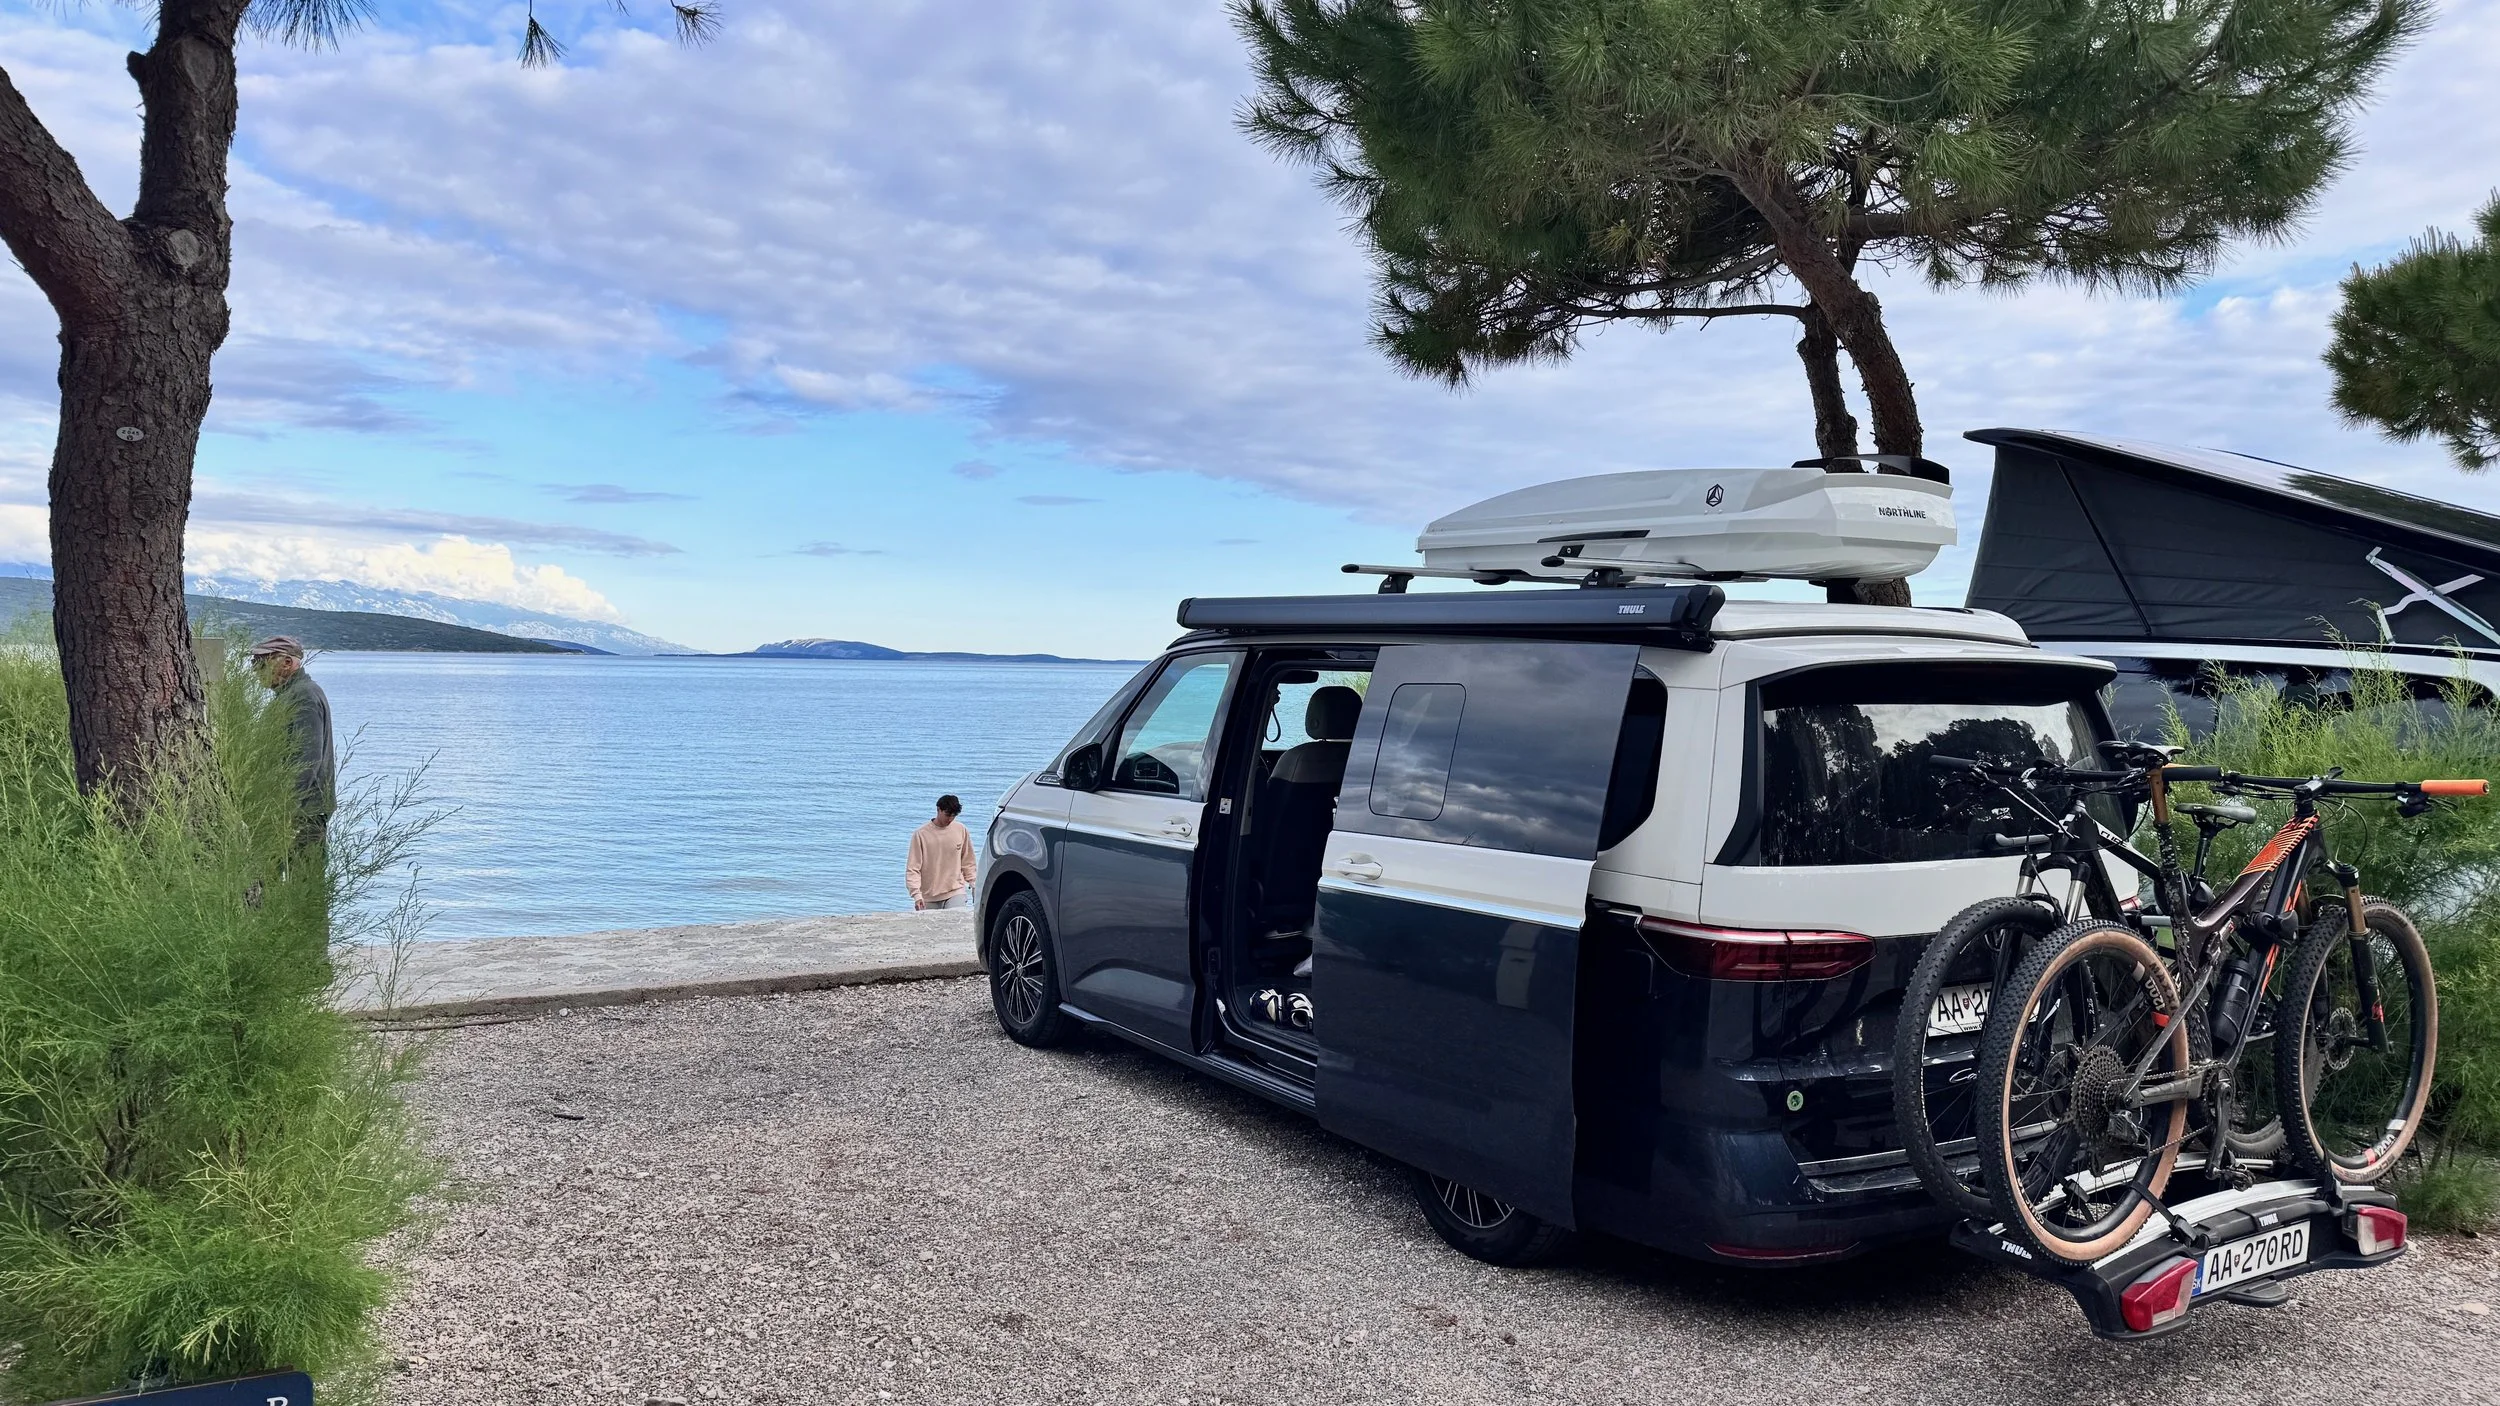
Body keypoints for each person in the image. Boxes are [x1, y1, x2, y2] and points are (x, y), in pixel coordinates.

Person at [249, 635, 336, 847]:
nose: (255, 670)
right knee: (271, 877)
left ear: (287, 663)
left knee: (303, 877)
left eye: (262, 662)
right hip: (292, 809)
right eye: (254, 663)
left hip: (301, 812)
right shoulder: (290, 694)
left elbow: (306, 758)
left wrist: (286, 810)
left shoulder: (304, 695)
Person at [906, 794, 977, 911]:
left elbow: (968, 861)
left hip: (955, 891)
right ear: (938, 809)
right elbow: (913, 868)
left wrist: (973, 883)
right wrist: (916, 895)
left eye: (954, 816)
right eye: (947, 815)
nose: (950, 819)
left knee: (956, 925)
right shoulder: (921, 834)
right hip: (929, 896)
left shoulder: (961, 830)